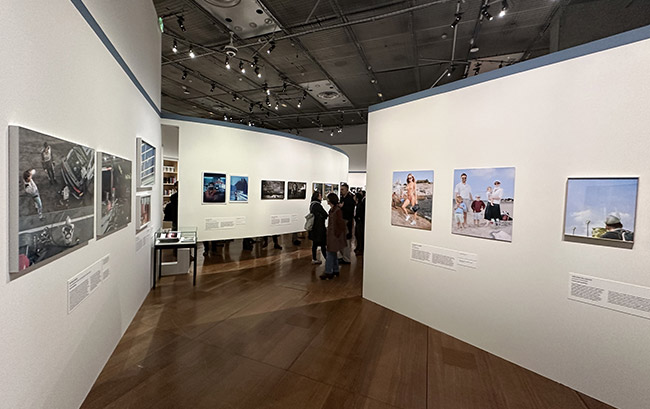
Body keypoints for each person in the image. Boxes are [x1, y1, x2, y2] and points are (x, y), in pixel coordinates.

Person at [322, 193, 346, 280]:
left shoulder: (337, 211)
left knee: (330, 254)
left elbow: (341, 224)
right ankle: (335, 270)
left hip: (334, 236)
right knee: (333, 253)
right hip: (332, 235)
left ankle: (329, 272)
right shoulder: (333, 210)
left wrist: (337, 234)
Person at [308, 191, 328, 264]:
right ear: (317, 196)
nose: (321, 197)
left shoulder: (312, 204)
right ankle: (327, 259)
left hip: (314, 227)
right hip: (319, 227)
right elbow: (325, 214)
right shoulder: (317, 205)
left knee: (315, 244)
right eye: (320, 196)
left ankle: (314, 258)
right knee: (322, 243)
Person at [338, 182, 355, 264]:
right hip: (342, 221)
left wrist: (343, 207)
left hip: (347, 222)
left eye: (342, 189)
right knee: (342, 240)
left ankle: (347, 259)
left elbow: (350, 211)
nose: (341, 191)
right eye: (340, 189)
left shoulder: (350, 199)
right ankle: (343, 257)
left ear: (347, 189)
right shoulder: (342, 198)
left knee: (347, 241)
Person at [354, 191, 365, 255]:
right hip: (358, 222)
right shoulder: (358, 204)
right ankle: (358, 247)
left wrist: (358, 218)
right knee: (357, 235)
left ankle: (360, 249)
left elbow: (360, 214)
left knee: (359, 236)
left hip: (360, 223)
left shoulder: (360, 205)